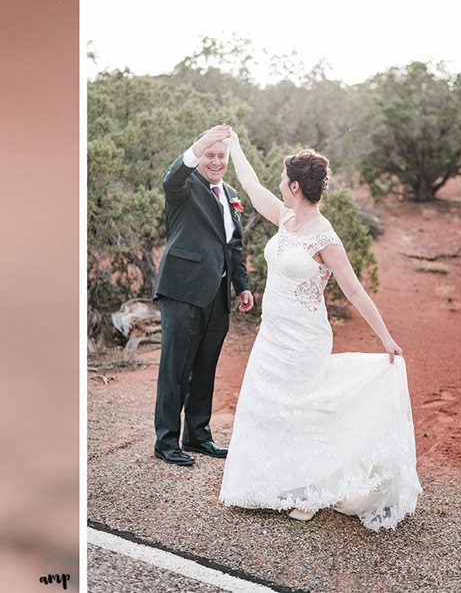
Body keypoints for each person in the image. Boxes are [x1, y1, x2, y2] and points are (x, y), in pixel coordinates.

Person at [217, 128, 421, 530]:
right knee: (264, 405)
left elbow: (355, 290)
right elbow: (252, 186)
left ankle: (309, 491)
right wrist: (236, 145)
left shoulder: (325, 237)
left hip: (304, 338)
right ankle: (265, 484)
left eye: (283, 180)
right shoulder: (286, 216)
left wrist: (386, 338)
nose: (278, 185)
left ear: (294, 186)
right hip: (272, 333)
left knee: (300, 409)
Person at [151, 125, 254, 467]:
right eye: (209, 155)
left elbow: (233, 244)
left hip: (217, 295)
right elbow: (171, 178)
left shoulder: (229, 192)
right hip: (183, 289)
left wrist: (242, 285)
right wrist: (202, 143)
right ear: (199, 156)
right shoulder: (184, 187)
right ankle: (166, 442)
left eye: (220, 156)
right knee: (175, 368)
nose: (216, 161)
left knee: (205, 366)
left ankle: (197, 435)